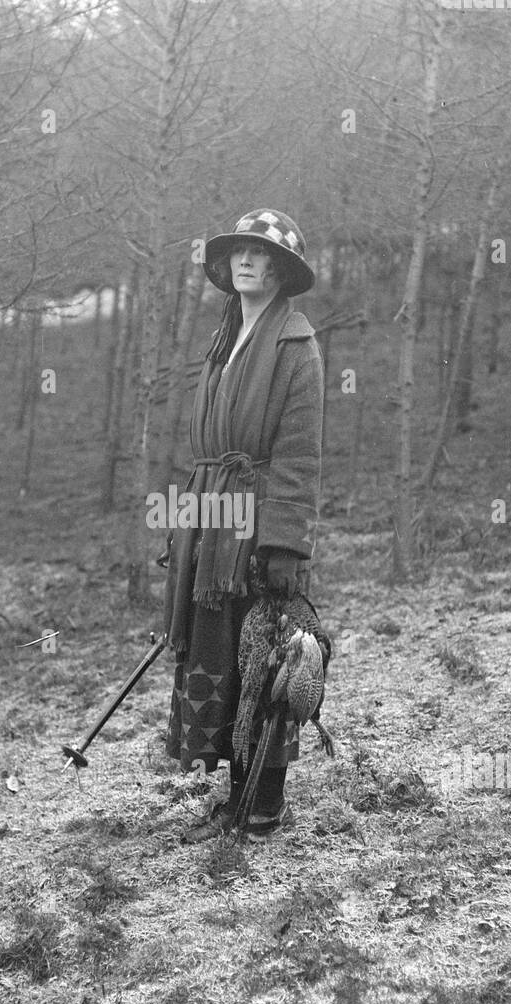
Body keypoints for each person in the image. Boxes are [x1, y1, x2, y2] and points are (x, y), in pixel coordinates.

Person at [160, 209, 324, 842]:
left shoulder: (295, 346)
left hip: (259, 521)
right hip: (213, 515)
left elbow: (300, 454)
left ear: (281, 271)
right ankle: (237, 794)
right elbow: (207, 445)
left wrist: (283, 544)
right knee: (220, 652)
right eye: (238, 254)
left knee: (267, 656)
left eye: (262, 255)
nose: (247, 262)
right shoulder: (224, 339)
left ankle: (264, 806)